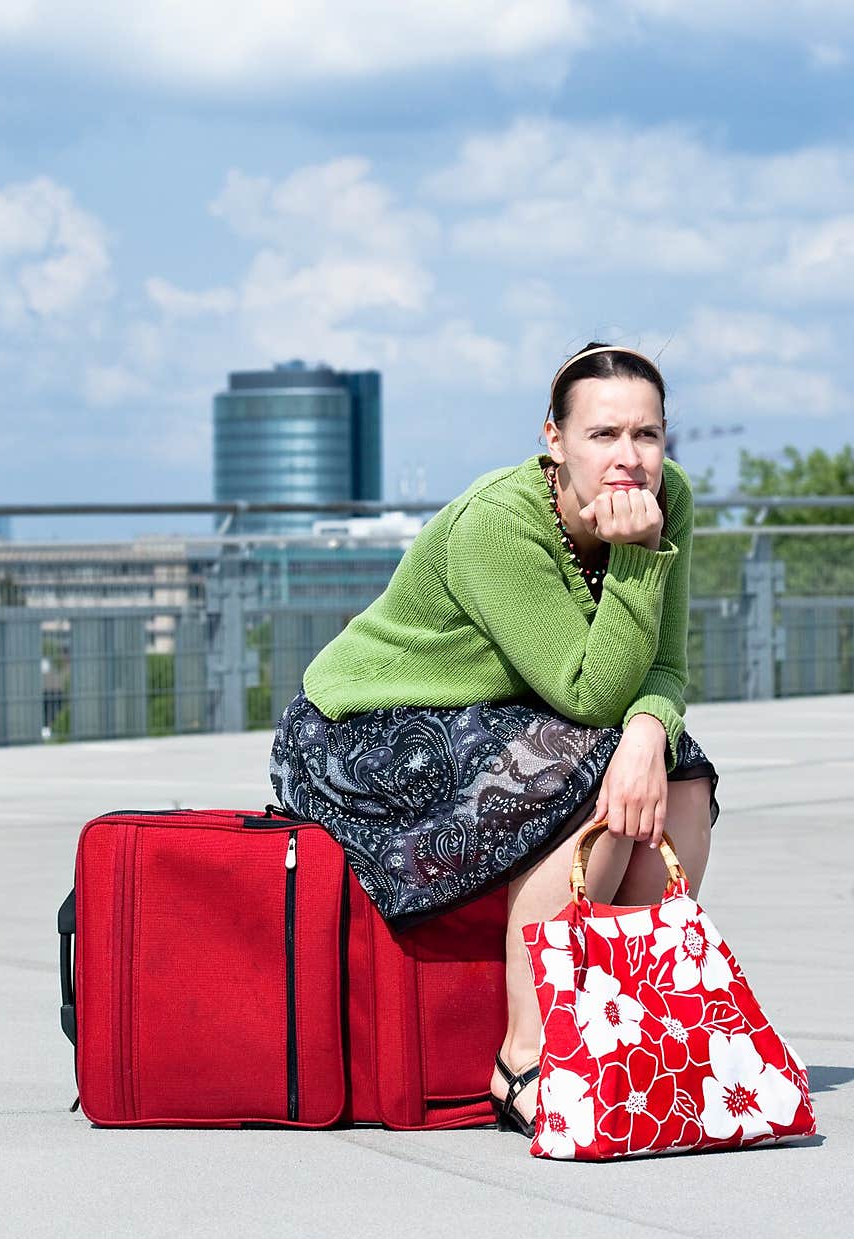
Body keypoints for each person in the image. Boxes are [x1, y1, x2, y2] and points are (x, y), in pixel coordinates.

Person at [269, 342, 719, 1138]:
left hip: (503, 716)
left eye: (646, 436)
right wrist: (638, 564)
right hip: (362, 730)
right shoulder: (500, 522)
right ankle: (526, 1058)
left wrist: (651, 734)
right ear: (555, 440)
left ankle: (621, 1025)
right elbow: (591, 695)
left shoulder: (666, 495)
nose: (629, 458)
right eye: (603, 435)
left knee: (681, 775)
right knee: (590, 762)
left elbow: (666, 668)